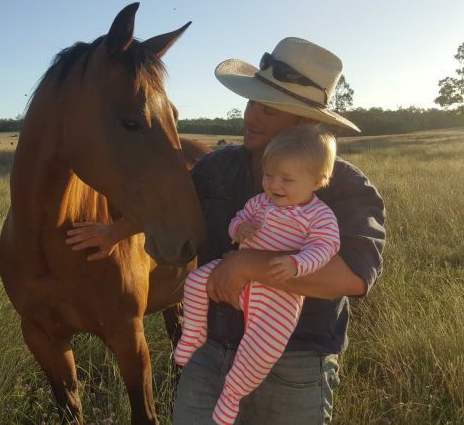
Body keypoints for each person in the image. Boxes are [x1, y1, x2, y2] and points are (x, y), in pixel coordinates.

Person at [66, 37, 386, 424]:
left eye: (268, 110)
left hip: (294, 362)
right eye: (252, 102)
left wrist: (247, 266)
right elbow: (174, 204)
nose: (251, 116)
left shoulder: (345, 186)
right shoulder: (216, 168)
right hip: (209, 352)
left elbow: (353, 276)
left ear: (304, 123)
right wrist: (114, 232)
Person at [174, 126, 341, 424]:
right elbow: (240, 218)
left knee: (260, 350)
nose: (274, 185)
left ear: (317, 182)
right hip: (237, 281)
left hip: (279, 295)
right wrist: (239, 229)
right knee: (196, 281)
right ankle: (193, 333)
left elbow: (326, 246)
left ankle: (231, 396)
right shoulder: (260, 202)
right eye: (268, 176)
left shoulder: (319, 216)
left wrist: (298, 264)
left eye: (286, 180)